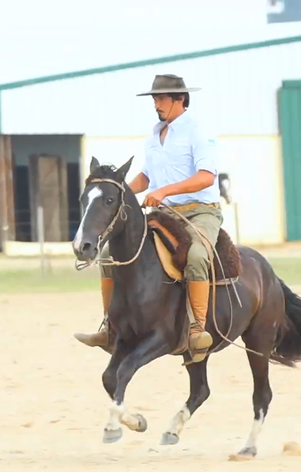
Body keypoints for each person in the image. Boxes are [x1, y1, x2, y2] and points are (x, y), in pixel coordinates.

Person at [73, 73, 223, 364]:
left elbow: (206, 177)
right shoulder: (155, 134)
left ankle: (196, 329)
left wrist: (165, 190)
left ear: (180, 99)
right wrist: (119, 192)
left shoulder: (199, 132)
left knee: (196, 255)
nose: (156, 104)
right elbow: (147, 176)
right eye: (154, 98)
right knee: (107, 253)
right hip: (165, 214)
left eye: (161, 98)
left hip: (200, 211)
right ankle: (110, 328)